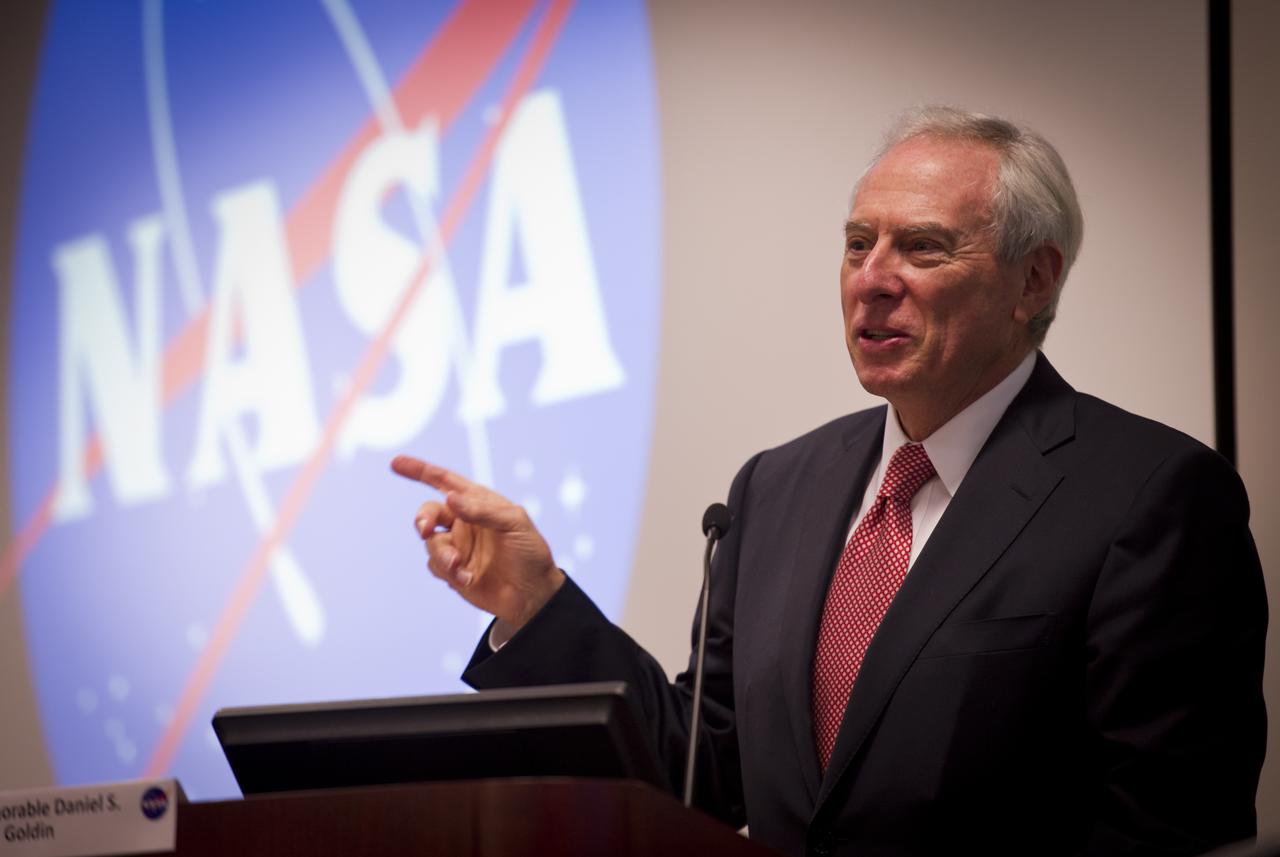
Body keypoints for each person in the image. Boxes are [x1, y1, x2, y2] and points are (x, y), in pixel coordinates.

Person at [391, 107, 1266, 857]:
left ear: (1033, 279)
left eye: (921, 247)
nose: (871, 281)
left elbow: (1168, 822)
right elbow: (706, 767)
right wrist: (535, 602)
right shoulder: (778, 487)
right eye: (857, 245)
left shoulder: (1151, 495)